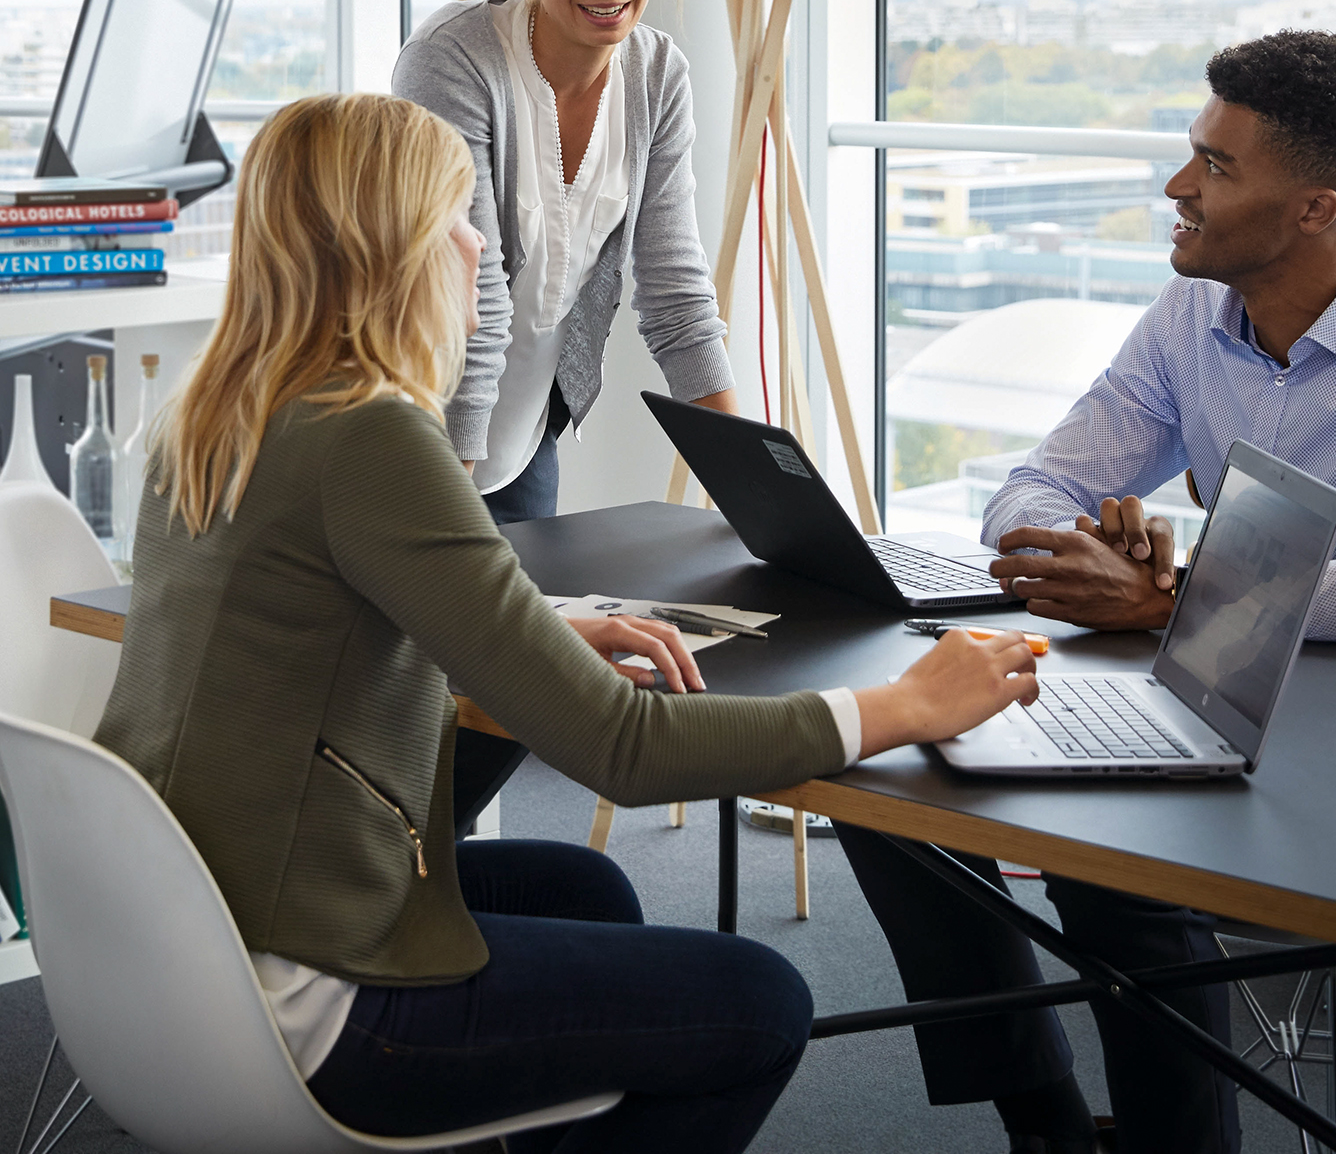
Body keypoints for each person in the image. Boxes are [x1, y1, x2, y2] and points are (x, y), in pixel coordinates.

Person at [93, 92, 1047, 1154]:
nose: (475, 248)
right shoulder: (372, 438)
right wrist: (904, 704)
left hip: (180, 928)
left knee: (582, 886)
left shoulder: (222, 410)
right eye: (459, 218)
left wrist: (534, 631)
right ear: (395, 247)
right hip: (307, 993)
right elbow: (621, 749)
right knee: (761, 1005)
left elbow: (312, 620)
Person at [836, 30, 1336, 1154]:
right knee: (889, 780)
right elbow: (1031, 487)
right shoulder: (1190, 316)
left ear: (1315, 209)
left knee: (1116, 885)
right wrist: (1087, 551)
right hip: (1201, 704)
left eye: (1218, 168)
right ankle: (1046, 1122)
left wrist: (1192, 593)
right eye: (1193, 153)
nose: (1176, 187)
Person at [392, 0, 734, 529]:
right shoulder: (453, 62)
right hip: (412, 434)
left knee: (529, 633)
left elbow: (676, 294)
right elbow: (473, 300)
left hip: (522, 439)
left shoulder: (657, 75)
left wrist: (762, 497)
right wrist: (449, 531)